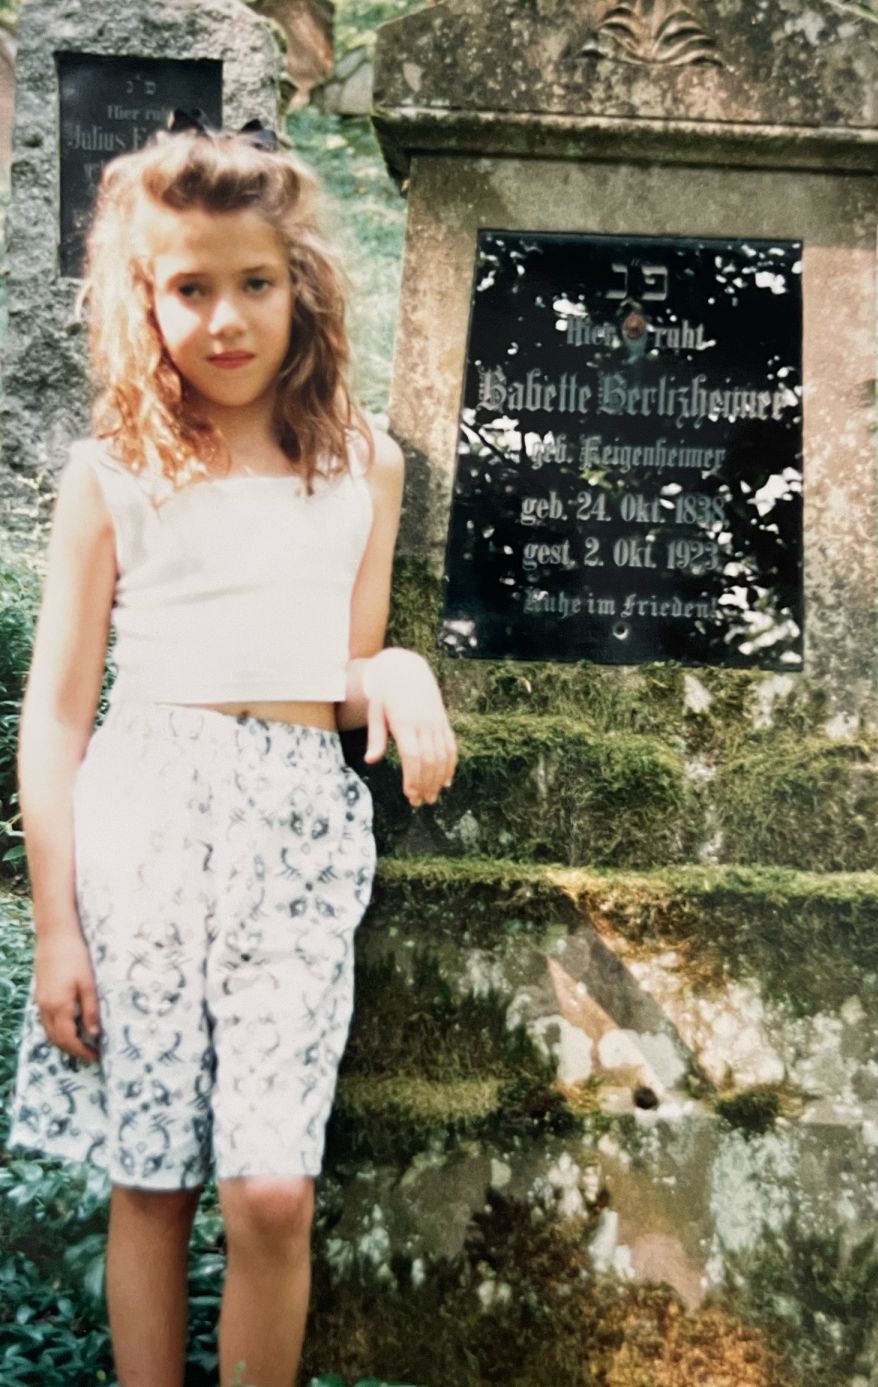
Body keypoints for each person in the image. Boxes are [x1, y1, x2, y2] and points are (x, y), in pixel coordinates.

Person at [6, 117, 456, 1387]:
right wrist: (57, 928)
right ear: (142, 302)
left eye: (252, 282)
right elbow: (56, 709)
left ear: (298, 286)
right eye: (189, 288)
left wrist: (401, 669)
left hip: (298, 836)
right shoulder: (113, 473)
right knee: (151, 1180)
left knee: (268, 1191)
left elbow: (343, 667)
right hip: (143, 832)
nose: (225, 319)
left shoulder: (363, 464)